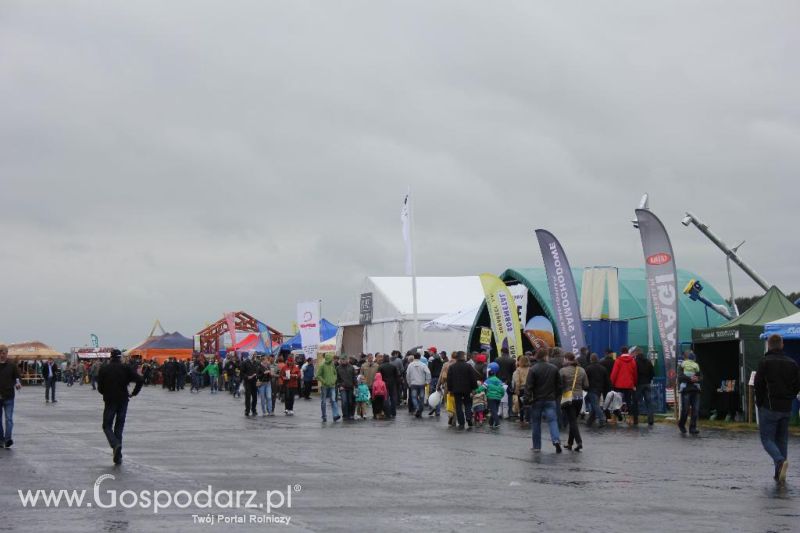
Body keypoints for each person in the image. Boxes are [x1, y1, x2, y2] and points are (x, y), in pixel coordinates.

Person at [754, 334, 800, 484]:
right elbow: (797, 384)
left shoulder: (765, 362)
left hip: (769, 405)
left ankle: (780, 462)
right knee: (782, 440)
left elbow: (758, 384)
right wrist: (791, 397)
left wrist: (759, 402)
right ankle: (779, 472)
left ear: (768, 345)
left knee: (767, 439)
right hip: (786, 407)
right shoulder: (792, 363)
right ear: (782, 345)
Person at [97, 350, 143, 465]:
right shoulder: (126, 368)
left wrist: (106, 392)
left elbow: (100, 388)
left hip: (110, 400)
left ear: (110, 358)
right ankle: (118, 455)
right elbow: (140, 380)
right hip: (123, 399)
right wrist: (134, 393)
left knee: (107, 425)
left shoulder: (104, 369)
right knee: (119, 426)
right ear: (120, 357)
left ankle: (115, 445)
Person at [525, 348, 562, 453]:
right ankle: (556, 440)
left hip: (537, 400)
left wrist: (527, 399)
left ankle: (536, 446)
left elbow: (529, 386)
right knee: (552, 421)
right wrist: (557, 396)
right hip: (550, 399)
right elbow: (559, 385)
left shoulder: (533, 369)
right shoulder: (554, 368)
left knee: (536, 423)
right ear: (546, 356)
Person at [559, 352, 589, 451]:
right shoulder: (582, 370)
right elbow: (586, 385)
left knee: (572, 421)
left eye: (564, 359)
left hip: (568, 399)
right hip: (579, 398)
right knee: (573, 421)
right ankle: (569, 443)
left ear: (567, 359)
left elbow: (559, 385)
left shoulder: (562, 371)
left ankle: (579, 442)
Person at [446, 351, 478, 429]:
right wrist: (474, 388)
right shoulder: (468, 366)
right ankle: (468, 417)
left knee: (458, 406)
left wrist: (450, 389)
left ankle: (461, 422)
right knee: (468, 404)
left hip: (456, 390)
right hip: (467, 389)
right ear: (463, 357)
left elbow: (449, 379)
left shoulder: (452, 367)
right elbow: (473, 378)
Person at [0, 344, 22, 448]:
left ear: (7, 353)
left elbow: (17, 377)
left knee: (9, 419)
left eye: (4, 353)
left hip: (9, 396)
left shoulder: (12, 365)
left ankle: (8, 439)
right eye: (0, 353)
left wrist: (18, 384)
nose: (2, 355)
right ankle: (1, 439)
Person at [610, 346, 637, 424]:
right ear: (627, 352)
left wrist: (612, 382)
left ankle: (614, 419)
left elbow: (614, 373)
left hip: (619, 385)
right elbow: (635, 374)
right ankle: (631, 419)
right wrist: (634, 383)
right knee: (629, 402)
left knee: (616, 402)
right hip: (629, 385)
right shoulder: (632, 361)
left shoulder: (618, 360)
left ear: (621, 352)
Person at [677, 351, 702, 435]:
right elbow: (680, 377)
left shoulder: (696, 365)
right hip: (686, 390)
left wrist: (697, 378)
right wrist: (690, 378)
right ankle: (681, 425)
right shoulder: (682, 366)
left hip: (695, 390)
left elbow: (700, 376)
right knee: (685, 410)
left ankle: (693, 428)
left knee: (695, 410)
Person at [585, 353, 611, 427]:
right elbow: (607, 380)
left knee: (595, 405)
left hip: (591, 388)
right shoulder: (603, 368)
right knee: (594, 404)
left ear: (591, 359)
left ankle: (602, 418)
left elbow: (585, 379)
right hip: (599, 389)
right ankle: (589, 421)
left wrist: (585, 387)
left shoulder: (588, 368)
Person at [633, 347, 655, 426]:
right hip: (647, 384)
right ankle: (651, 420)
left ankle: (635, 419)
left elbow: (634, 373)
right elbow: (653, 373)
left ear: (636, 353)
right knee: (649, 402)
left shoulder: (635, 362)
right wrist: (648, 380)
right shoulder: (648, 361)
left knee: (635, 401)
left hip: (639, 384)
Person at [316, 353, 341, 422]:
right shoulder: (322, 366)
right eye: (331, 358)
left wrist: (334, 380)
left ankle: (335, 415)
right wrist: (324, 382)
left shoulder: (332, 365)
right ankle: (324, 416)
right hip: (324, 386)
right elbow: (318, 375)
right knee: (323, 401)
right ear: (328, 359)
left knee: (333, 400)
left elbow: (335, 373)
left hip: (332, 386)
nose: (332, 360)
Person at [406, 352, 431, 418]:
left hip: (413, 383)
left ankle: (417, 408)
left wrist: (409, 383)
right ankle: (420, 410)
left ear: (414, 357)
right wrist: (427, 381)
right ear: (420, 357)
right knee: (422, 397)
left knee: (414, 397)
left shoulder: (410, 365)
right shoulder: (423, 365)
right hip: (422, 383)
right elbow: (428, 373)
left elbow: (407, 375)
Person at [484, 363, 506, 429]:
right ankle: (491, 422)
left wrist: (476, 391)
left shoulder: (488, 380)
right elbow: (503, 389)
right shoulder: (499, 381)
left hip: (491, 397)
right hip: (498, 398)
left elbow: (482, 387)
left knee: (493, 411)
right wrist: (501, 396)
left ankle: (497, 422)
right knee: (495, 410)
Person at [378, 354, 400, 418]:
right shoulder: (393, 366)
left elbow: (378, 376)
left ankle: (387, 412)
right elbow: (397, 375)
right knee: (393, 398)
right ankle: (393, 412)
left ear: (383, 359)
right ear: (389, 359)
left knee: (386, 398)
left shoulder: (381, 366)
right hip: (392, 384)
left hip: (384, 384)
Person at [337, 356, 357, 420]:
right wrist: (339, 385)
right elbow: (337, 378)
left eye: (345, 359)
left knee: (351, 401)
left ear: (347, 360)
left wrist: (356, 386)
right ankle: (345, 415)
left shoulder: (351, 367)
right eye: (342, 359)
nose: (343, 360)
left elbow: (354, 377)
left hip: (351, 387)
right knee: (344, 401)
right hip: (343, 387)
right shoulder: (338, 368)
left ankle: (351, 414)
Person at [427, 351, 444, 417]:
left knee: (431, 394)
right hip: (439, 379)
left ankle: (432, 408)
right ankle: (438, 411)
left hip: (433, 378)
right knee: (438, 395)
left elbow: (429, 370)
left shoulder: (432, 361)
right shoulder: (441, 361)